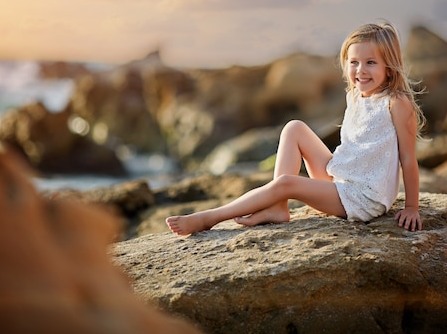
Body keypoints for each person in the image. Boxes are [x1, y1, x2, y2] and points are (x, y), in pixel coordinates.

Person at [166, 21, 425, 235]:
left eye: (371, 63)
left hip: (363, 198)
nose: (360, 70)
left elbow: (408, 159)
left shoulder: (396, 103)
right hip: (342, 179)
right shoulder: (355, 95)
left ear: (389, 68)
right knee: (294, 128)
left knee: (288, 182)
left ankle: (210, 218)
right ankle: (278, 207)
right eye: (354, 62)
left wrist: (412, 207)